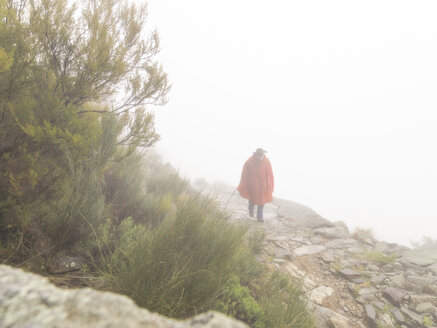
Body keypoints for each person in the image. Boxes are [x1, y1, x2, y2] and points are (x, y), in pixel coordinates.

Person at [237, 148, 274, 222]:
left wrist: (269, 184)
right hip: (253, 185)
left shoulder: (267, 161)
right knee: (252, 199)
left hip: (263, 186)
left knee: (262, 201)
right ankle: (251, 209)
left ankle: (260, 217)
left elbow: (270, 174)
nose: (260, 156)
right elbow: (244, 173)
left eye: (261, 154)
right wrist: (245, 183)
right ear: (256, 154)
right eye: (259, 154)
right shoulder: (249, 162)